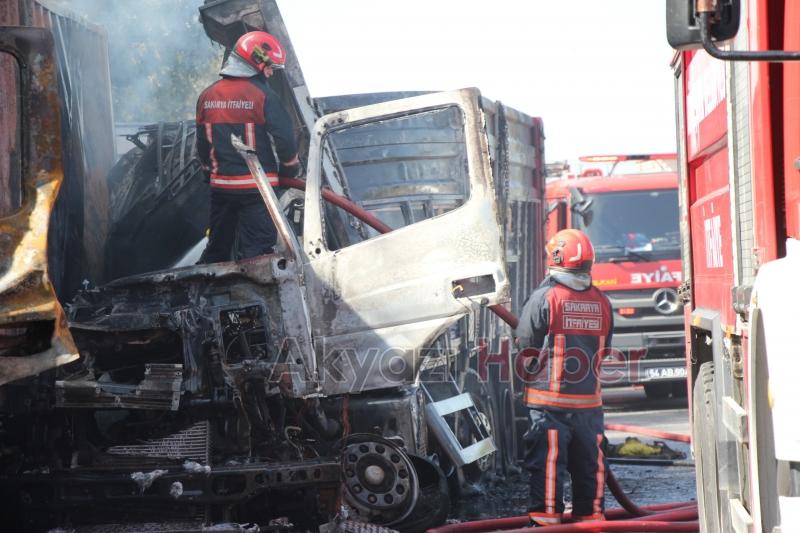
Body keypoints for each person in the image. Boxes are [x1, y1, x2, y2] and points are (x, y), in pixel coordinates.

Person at [514, 229, 613, 526]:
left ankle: (546, 526)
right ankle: (592, 524)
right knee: (589, 469)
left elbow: (525, 345)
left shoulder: (546, 296)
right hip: (589, 407)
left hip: (549, 407)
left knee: (548, 468)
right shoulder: (603, 301)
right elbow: (605, 349)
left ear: (555, 259)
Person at [196, 31, 300, 263]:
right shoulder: (264, 95)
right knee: (258, 255)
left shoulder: (206, 95)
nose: (271, 72)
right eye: (270, 66)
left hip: (221, 190)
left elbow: (202, 144)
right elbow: (285, 139)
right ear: (256, 61)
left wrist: (208, 172)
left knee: (217, 250)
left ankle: (207, 294)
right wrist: (289, 170)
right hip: (257, 191)